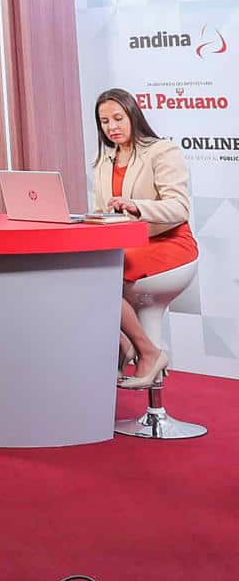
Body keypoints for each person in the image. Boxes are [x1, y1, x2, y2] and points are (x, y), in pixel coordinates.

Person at [90, 88, 197, 389]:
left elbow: (180, 207)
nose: (112, 127)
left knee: (102, 275)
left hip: (169, 244)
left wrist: (138, 207)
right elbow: (105, 212)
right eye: (104, 121)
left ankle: (146, 352)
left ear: (133, 115)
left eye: (117, 118)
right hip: (127, 247)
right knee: (85, 270)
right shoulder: (102, 161)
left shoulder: (162, 151)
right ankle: (127, 344)